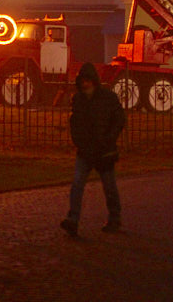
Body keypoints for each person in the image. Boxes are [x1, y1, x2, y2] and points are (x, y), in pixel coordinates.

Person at [61, 63, 126, 237]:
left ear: (93, 81)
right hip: (88, 150)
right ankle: (74, 219)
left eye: (87, 81)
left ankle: (113, 218)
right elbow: (75, 123)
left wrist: (109, 139)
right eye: (83, 81)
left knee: (108, 186)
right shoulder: (82, 100)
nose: (85, 84)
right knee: (78, 185)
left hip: (102, 149)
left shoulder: (105, 98)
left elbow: (119, 119)